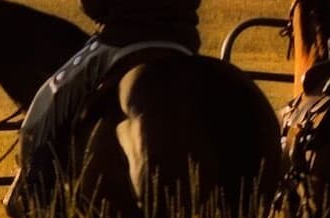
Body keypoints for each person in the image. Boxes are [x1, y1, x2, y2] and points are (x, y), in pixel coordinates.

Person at [18, 0, 203, 179]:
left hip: (119, 41)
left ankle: (34, 189)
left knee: (45, 105)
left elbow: (93, 5)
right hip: (181, 42)